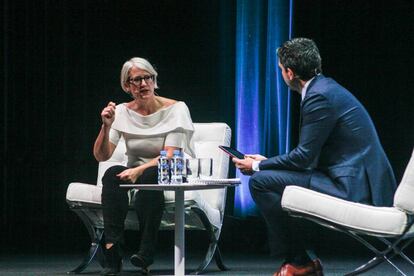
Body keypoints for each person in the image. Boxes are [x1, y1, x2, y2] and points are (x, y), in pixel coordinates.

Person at [233, 38, 396, 276]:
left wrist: (258, 165)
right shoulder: (324, 88)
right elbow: (307, 156)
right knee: (269, 178)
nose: (281, 74)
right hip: (347, 177)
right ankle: (301, 260)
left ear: (289, 72)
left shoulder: (319, 96)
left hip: (352, 187)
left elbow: (303, 158)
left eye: (280, 70)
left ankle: (300, 262)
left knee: (260, 181)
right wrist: (266, 163)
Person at [93, 57, 195, 275]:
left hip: (169, 169)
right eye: (136, 80)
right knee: (111, 173)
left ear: (154, 80)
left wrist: (138, 170)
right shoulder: (121, 111)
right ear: (127, 86)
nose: (143, 84)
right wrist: (106, 125)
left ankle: (146, 252)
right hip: (135, 170)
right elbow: (102, 156)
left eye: (147, 78)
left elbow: (169, 156)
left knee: (150, 175)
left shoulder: (176, 109)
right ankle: (112, 247)